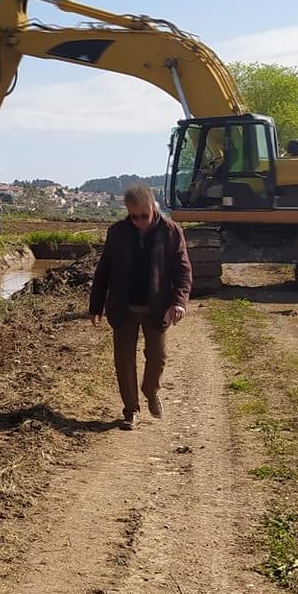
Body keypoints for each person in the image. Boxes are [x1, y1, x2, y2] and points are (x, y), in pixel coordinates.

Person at [88, 183, 192, 430]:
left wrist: (179, 303)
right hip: (123, 309)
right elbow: (104, 271)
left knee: (157, 358)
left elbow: (183, 272)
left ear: (153, 207)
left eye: (144, 216)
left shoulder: (171, 232)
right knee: (124, 362)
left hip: (156, 309)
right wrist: (96, 306)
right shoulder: (117, 233)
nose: (139, 221)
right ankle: (130, 411)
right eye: (134, 217)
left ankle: (150, 389)